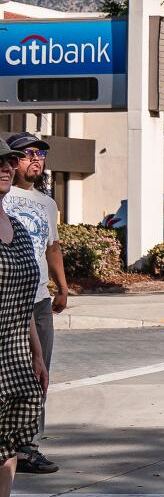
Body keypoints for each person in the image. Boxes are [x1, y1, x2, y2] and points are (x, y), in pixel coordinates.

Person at [0, 146, 50, 497]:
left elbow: (26, 299)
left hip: (15, 355)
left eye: (4, 163)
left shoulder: (14, 228)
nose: (3, 168)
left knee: (8, 450)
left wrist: (36, 354)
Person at [3, 134, 65, 475]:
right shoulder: (4, 193)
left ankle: (28, 446)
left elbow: (52, 246)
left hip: (39, 298)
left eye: (39, 153)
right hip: (10, 298)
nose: (35, 159)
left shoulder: (47, 203)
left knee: (39, 372)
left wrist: (63, 286)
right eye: (28, 154)